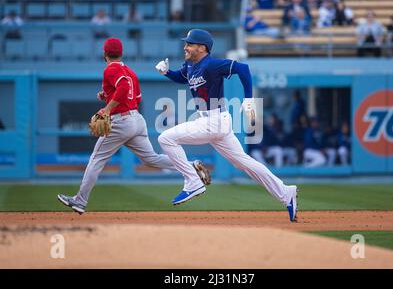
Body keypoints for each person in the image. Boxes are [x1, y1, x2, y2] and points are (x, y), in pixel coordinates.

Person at [155, 29, 298, 222]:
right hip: (213, 122)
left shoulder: (211, 64)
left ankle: (192, 182)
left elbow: (243, 69)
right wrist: (166, 72)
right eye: (186, 43)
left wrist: (248, 99)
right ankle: (285, 192)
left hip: (214, 121)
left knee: (166, 138)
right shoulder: (190, 65)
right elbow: (182, 78)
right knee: (244, 163)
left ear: (202, 47)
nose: (185, 47)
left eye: (189, 44)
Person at [57, 37, 210, 214]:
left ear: (105, 53)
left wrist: (107, 109)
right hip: (136, 120)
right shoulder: (129, 71)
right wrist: (107, 95)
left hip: (121, 122)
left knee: (96, 160)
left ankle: (80, 201)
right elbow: (136, 97)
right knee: (151, 159)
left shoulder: (110, 69)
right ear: (121, 53)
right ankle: (191, 166)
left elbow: (122, 87)